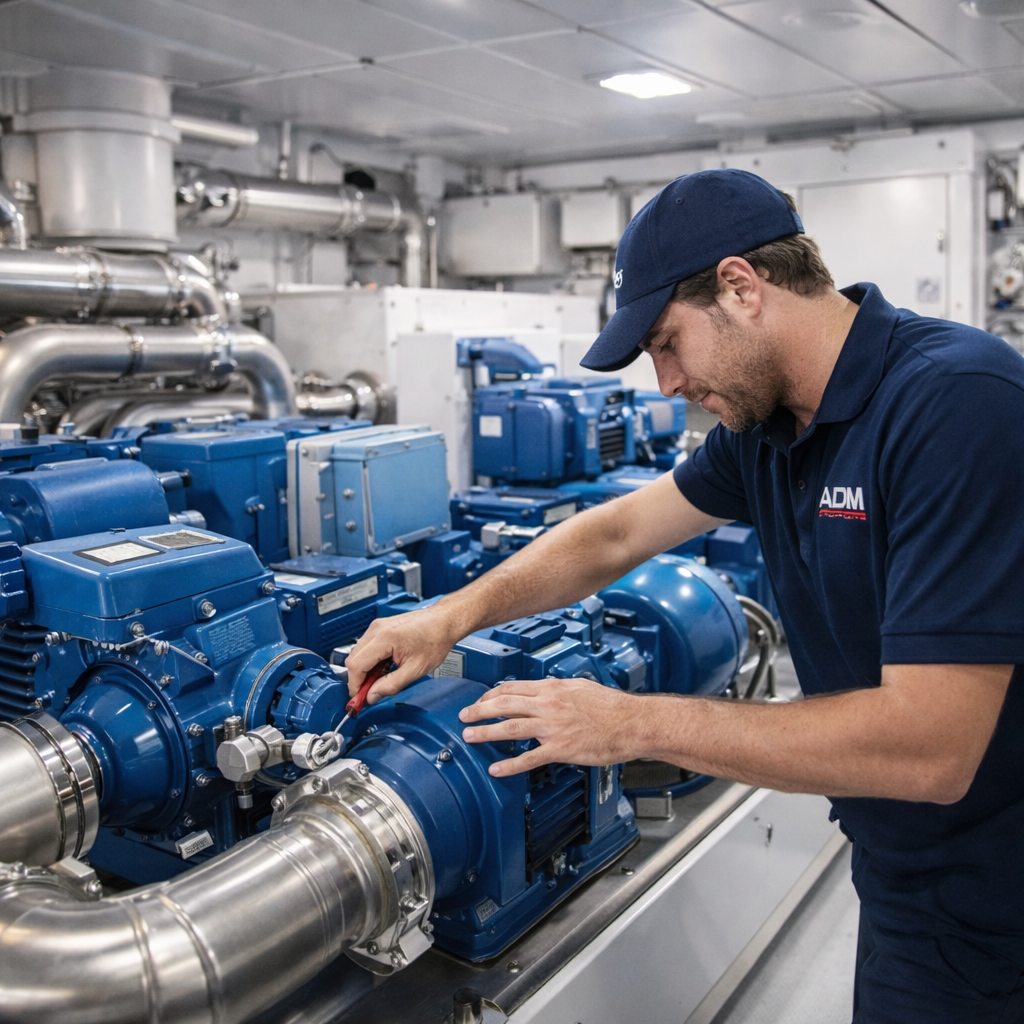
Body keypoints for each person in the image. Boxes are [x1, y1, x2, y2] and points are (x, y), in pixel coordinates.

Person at [347, 169, 1024, 1022]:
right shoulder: (769, 429)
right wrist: (451, 615)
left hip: (996, 894)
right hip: (901, 869)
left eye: (668, 342)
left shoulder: (957, 403)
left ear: (742, 288)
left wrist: (628, 722)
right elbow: (618, 534)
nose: (665, 383)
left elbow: (932, 749)